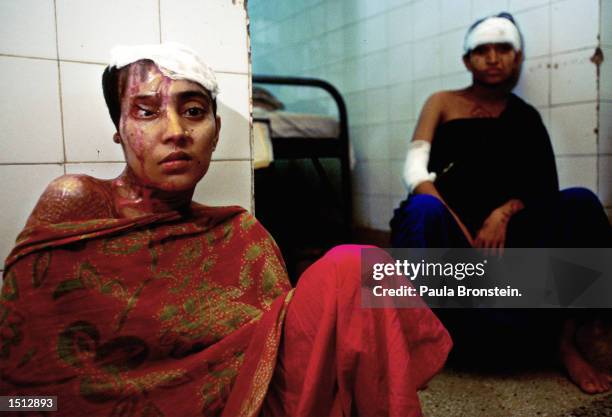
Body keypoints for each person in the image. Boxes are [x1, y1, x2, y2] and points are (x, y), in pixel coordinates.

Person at [0, 42, 451, 416]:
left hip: (242, 404)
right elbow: (28, 366)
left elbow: (276, 351)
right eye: (146, 112)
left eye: (193, 112)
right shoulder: (76, 200)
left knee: (359, 266)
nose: (175, 131)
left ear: (215, 134)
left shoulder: (239, 233)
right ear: (119, 128)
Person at [390, 13, 612, 393]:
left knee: (580, 203)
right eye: (482, 50)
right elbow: (416, 172)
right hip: (450, 238)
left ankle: (567, 340)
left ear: (518, 57)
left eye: (503, 48)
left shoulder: (526, 118)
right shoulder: (442, 102)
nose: (492, 58)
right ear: (467, 61)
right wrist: (458, 225)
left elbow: (544, 191)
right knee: (422, 209)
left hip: (508, 246)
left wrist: (504, 213)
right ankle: (415, 341)